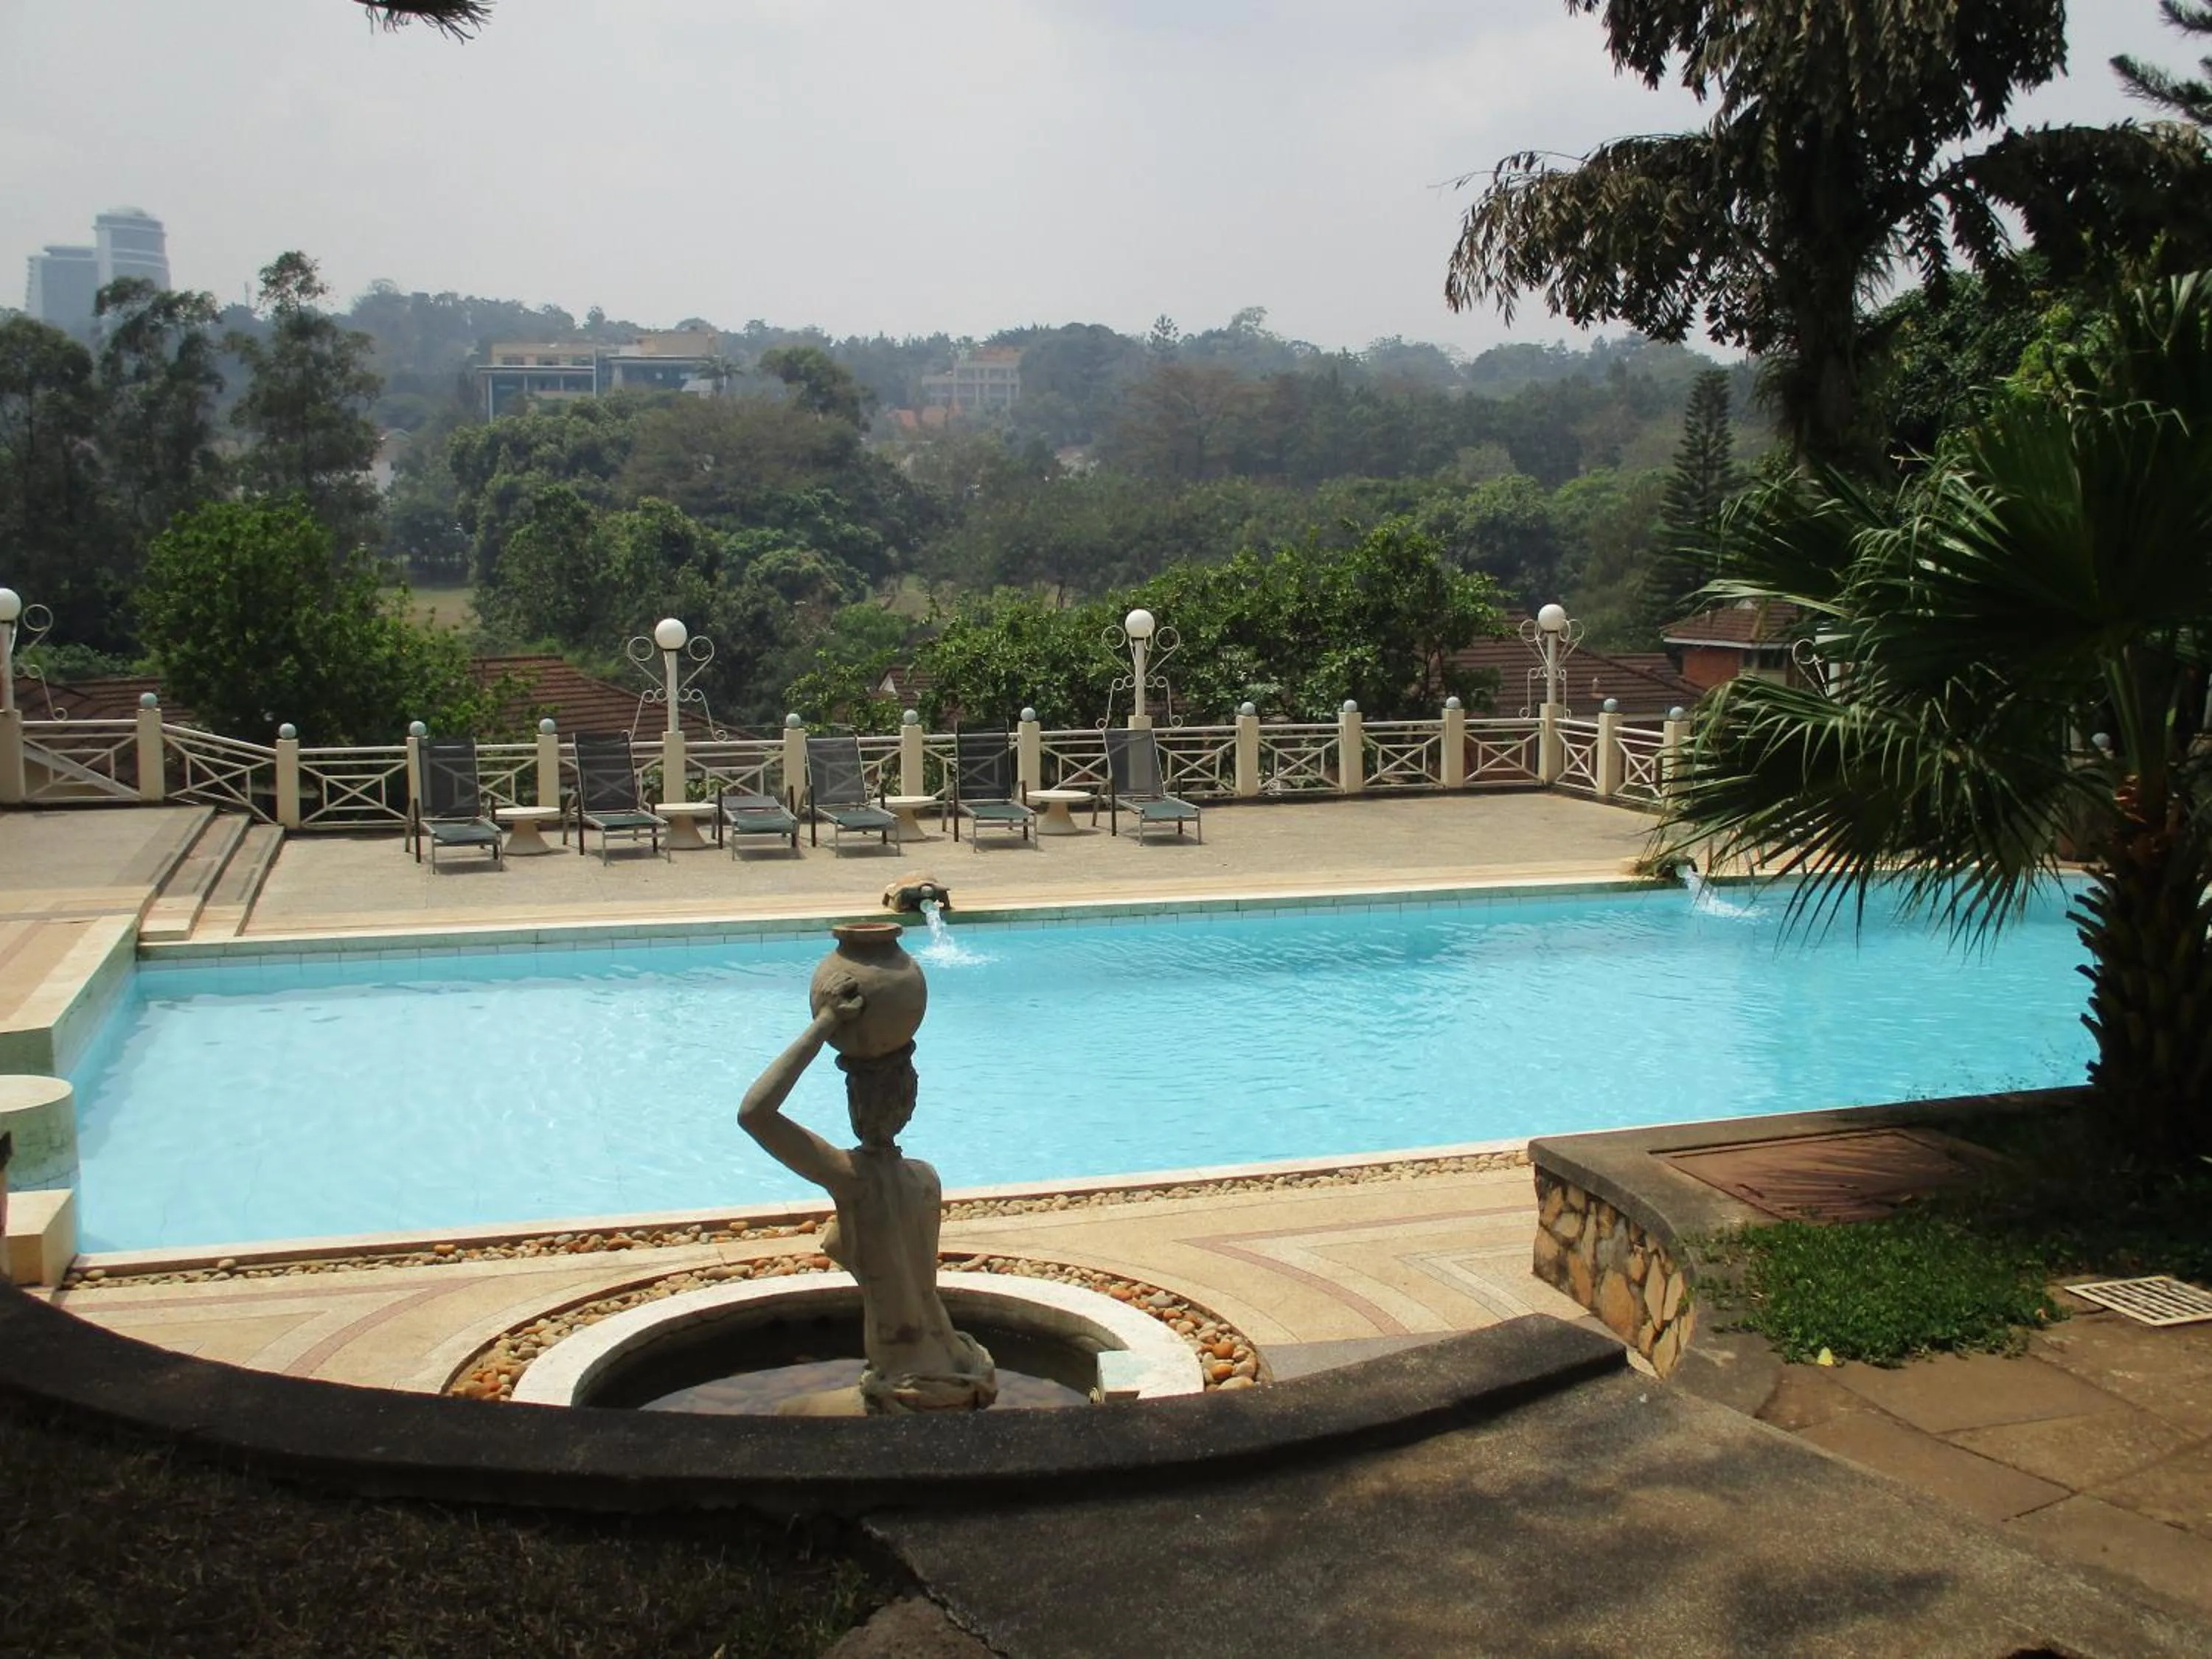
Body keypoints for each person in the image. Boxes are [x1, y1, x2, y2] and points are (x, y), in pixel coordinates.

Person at [738, 973, 995, 1415]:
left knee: (786, 1416)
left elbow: (755, 1113)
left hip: (912, 1388)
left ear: (854, 1105)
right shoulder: (925, 1179)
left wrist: (825, 1023)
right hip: (964, 1364)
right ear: (909, 1101)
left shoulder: (852, 1180)